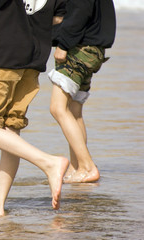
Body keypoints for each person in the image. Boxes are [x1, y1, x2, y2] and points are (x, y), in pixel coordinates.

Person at [0, 0, 69, 216]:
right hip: (33, 59)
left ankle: (49, 162)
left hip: (0, 55)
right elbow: (59, 17)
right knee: (10, 130)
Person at [48, 0, 116, 183]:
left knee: (57, 108)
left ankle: (87, 166)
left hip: (79, 49)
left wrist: (62, 45)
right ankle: (77, 167)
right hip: (92, 49)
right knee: (74, 111)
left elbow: (80, 12)